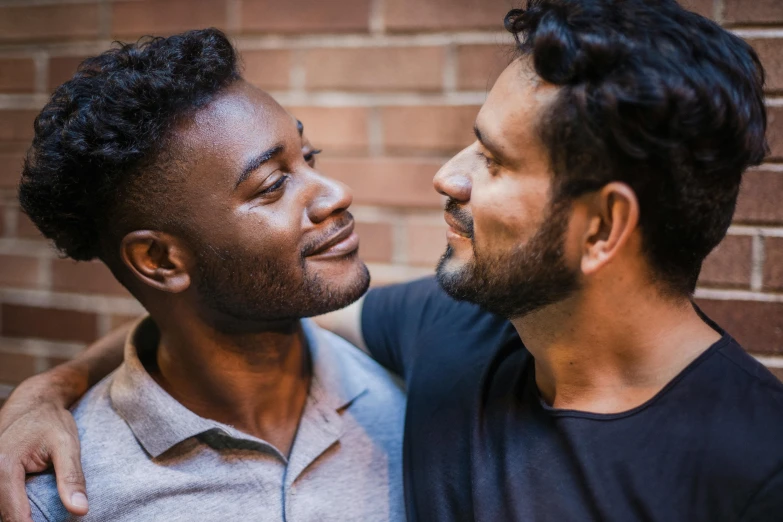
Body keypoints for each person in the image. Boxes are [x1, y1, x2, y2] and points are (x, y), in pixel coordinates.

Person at [3, 0, 783, 521]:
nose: (448, 177)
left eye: (494, 160)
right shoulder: (448, 334)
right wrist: (50, 391)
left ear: (602, 227)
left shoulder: (755, 466)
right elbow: (223, 307)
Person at [0, 28, 405, 522]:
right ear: (159, 260)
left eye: (309, 156)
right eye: (274, 184)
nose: (335, 193)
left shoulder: (411, 396)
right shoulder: (57, 497)